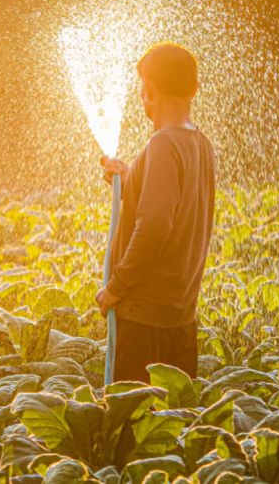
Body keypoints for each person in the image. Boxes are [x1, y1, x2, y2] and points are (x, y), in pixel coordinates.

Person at [95, 41, 216, 383]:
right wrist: (129, 178)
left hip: (144, 323)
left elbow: (155, 226)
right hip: (179, 321)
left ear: (149, 89)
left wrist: (115, 288)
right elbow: (175, 204)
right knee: (171, 426)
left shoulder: (162, 144)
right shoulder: (199, 143)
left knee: (133, 431)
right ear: (194, 88)